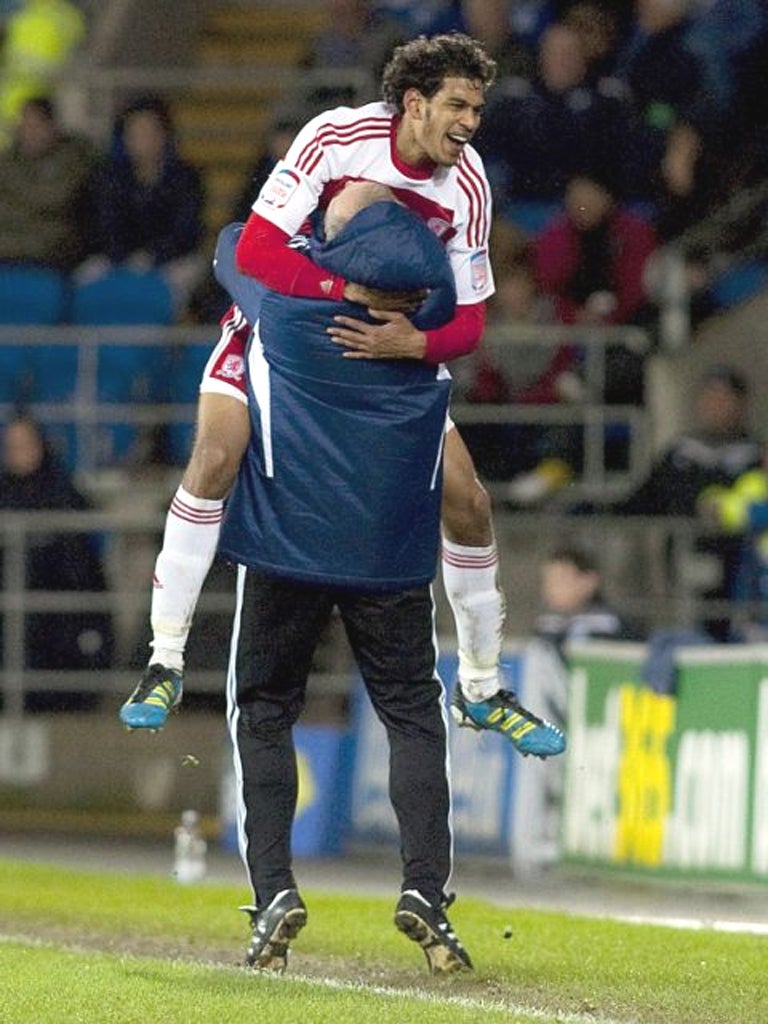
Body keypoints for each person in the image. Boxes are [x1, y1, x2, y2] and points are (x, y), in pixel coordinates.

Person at [120, 34, 565, 762]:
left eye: (478, 109)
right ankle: (164, 660)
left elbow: (473, 320)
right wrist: (340, 293)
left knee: (469, 499)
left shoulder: (470, 183)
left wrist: (413, 345)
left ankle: (481, 686)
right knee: (213, 455)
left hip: (388, 360)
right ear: (414, 104)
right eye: (458, 105)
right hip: (285, 337)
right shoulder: (336, 137)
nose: (470, 122)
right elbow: (254, 250)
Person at [219, 179, 483, 975]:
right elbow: (458, 318)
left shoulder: (289, 318)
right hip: (390, 558)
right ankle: (426, 894)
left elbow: (234, 244)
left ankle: (273, 894)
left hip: (286, 548)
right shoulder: (425, 341)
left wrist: (320, 259)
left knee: (263, 713)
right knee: (411, 719)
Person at [0, 414, 114, 707]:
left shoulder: (66, 497)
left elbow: (85, 572)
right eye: (12, 446)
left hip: (59, 622)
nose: (19, 453)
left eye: (25, 444)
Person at [79, 94, 206, 318]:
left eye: (149, 132)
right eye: (135, 133)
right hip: (115, 259)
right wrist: (124, 257)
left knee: (188, 281)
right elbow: (103, 226)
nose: (142, 139)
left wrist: (152, 256)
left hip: (173, 260)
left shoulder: (186, 177)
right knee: (83, 281)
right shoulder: (108, 177)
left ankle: (170, 345)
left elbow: (186, 230)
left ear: (165, 135)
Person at [0, 94, 96, 270]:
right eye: (25, 126)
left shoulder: (73, 159)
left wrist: (14, 194)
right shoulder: (8, 160)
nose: (29, 133)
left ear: (52, 128)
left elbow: (55, 199)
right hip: (12, 239)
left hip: (53, 247)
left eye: (36, 126)